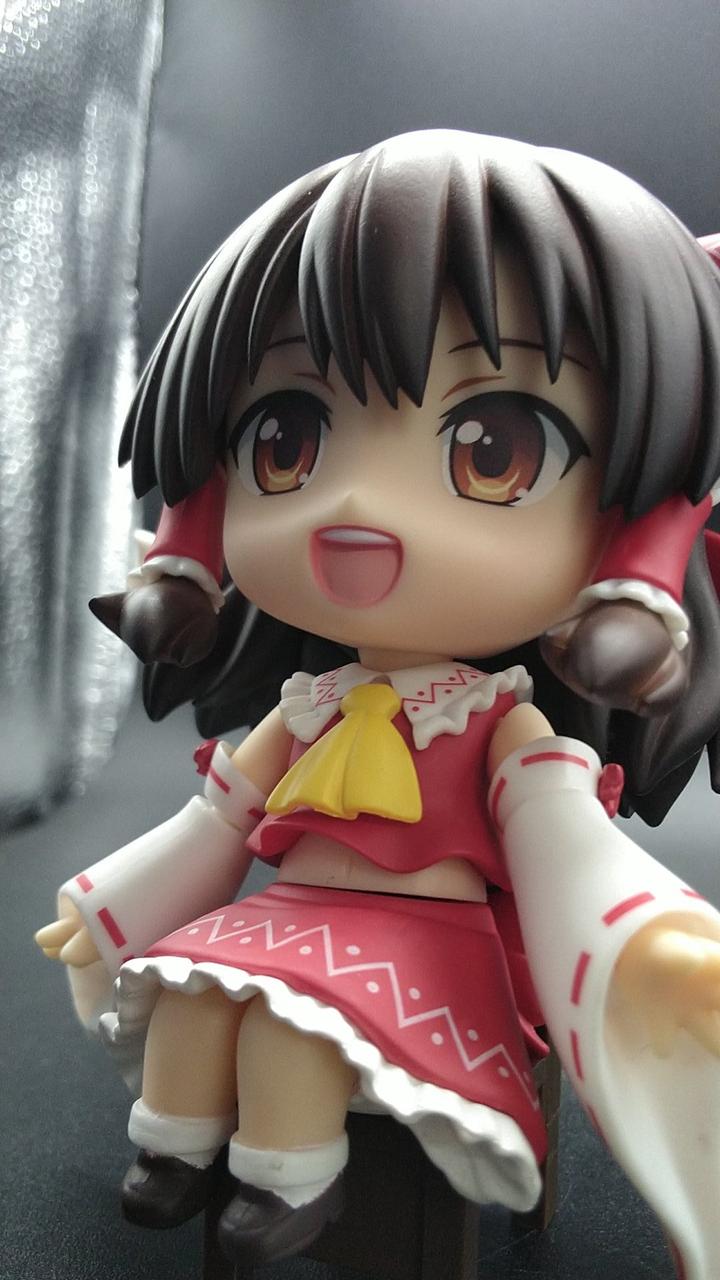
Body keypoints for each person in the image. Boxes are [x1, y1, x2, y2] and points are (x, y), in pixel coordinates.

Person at [36, 131, 720, 1276]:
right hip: (289, 913)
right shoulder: (311, 701)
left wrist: (644, 938)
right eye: (288, 440)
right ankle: (174, 1148)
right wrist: (113, 904)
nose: (353, 503)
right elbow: (217, 822)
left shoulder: (497, 718)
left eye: (493, 451)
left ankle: (287, 1177)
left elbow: (564, 843)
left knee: (290, 1027)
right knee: (196, 997)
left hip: (429, 943)